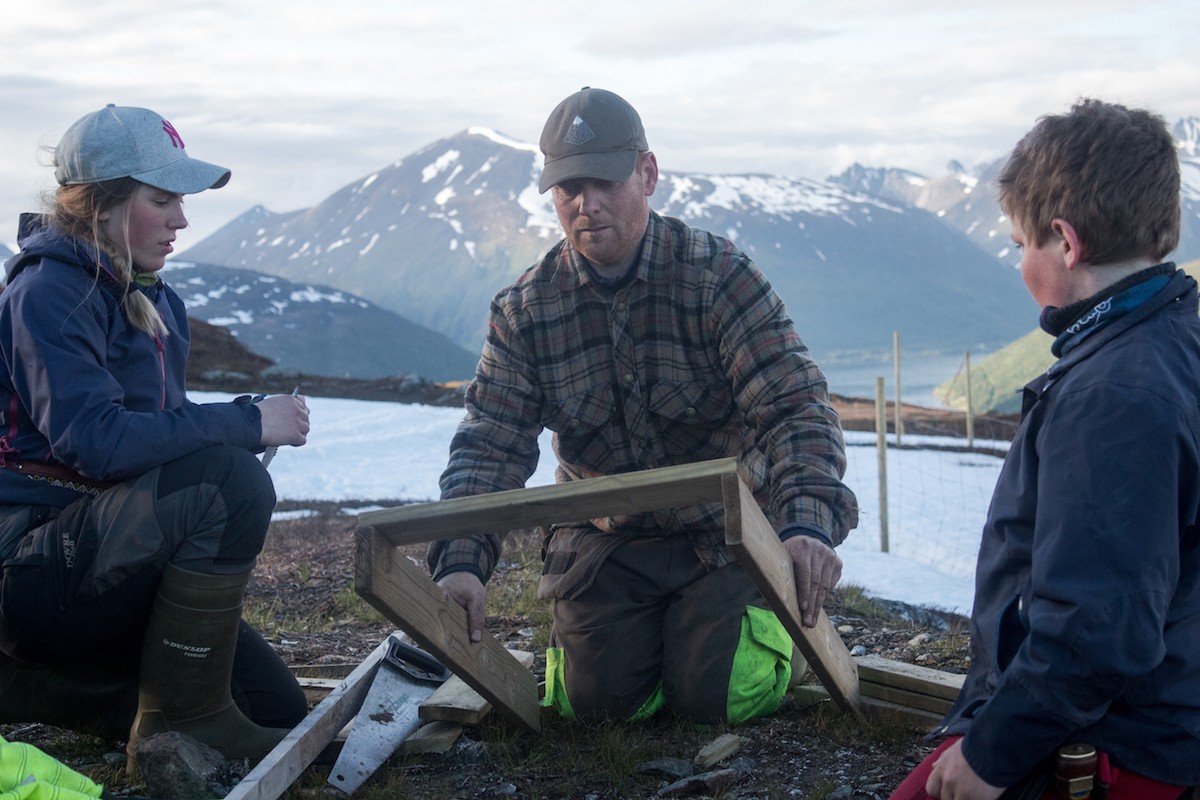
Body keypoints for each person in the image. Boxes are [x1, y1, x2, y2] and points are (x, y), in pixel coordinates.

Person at [431, 87, 858, 725]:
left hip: (724, 536)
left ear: (648, 174)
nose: (586, 204)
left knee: (715, 697)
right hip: (606, 545)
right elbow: (490, 441)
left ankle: (774, 645)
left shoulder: (720, 278)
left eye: (603, 180)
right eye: (567, 188)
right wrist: (462, 562)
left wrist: (805, 527)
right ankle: (649, 652)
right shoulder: (524, 313)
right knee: (593, 708)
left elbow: (794, 406)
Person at [889, 100, 1200, 800]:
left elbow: (1097, 630)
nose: (1019, 261)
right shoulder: (1172, 341)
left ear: (1066, 242)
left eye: (1019, 244)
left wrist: (994, 755)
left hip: (1117, 742)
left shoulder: (1115, 398)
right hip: (1156, 712)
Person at [0, 105, 311, 769]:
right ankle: (182, 721)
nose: (181, 219)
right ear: (103, 206)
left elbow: (160, 431)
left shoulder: (155, 299)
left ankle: (44, 690)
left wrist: (241, 415)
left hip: (100, 555)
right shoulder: (50, 292)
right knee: (230, 480)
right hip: (28, 565)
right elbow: (99, 442)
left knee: (276, 711)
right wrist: (248, 424)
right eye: (162, 199)